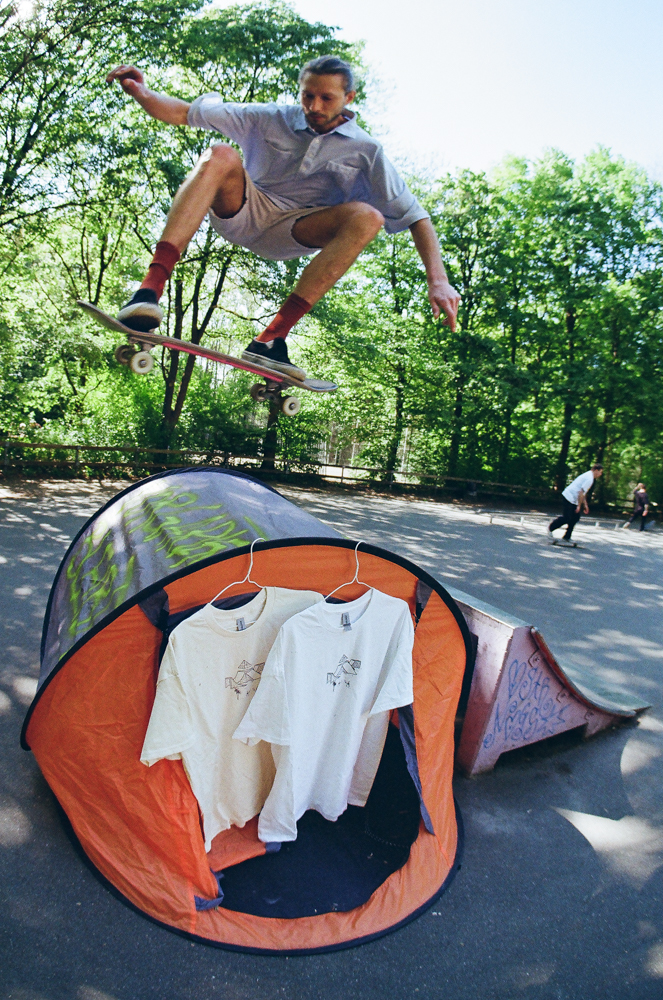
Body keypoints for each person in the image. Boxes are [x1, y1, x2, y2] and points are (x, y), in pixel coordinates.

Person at [106, 56, 460, 379]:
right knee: (221, 154)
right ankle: (148, 292)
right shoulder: (269, 117)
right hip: (245, 210)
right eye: (308, 96)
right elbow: (185, 113)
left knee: (369, 217)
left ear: (349, 98)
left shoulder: (367, 151)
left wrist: (438, 280)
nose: (314, 107)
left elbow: (415, 216)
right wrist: (140, 91)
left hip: (296, 231)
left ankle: (271, 339)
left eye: (327, 99)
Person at [547, 464, 604, 544]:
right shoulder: (589, 479)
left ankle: (567, 537)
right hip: (569, 497)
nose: (600, 474)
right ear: (596, 470)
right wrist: (579, 506)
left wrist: (585, 505)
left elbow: (583, 493)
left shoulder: (588, 475)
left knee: (575, 518)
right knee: (567, 517)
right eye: (600, 472)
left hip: (573, 498)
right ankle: (551, 528)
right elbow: (581, 493)